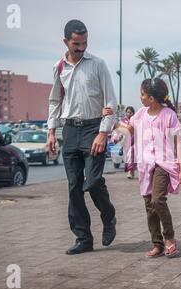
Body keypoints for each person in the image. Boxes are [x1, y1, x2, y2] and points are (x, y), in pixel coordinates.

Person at [47, 19, 117, 255]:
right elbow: (55, 101)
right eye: (77, 43)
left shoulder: (98, 64)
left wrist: (103, 132)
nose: (81, 47)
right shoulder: (59, 68)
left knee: (94, 181)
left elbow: (110, 101)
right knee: (74, 186)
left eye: (85, 42)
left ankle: (108, 216)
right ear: (65, 41)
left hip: (93, 129)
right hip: (70, 130)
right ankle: (83, 238)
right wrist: (51, 132)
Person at [106, 78, 181, 258]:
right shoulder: (140, 114)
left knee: (158, 199)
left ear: (151, 98)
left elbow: (179, 143)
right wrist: (111, 120)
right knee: (149, 205)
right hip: (145, 165)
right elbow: (128, 130)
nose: (140, 97)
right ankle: (157, 244)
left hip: (164, 164)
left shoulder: (169, 115)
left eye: (142, 94)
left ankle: (169, 238)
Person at [118, 106, 137, 179]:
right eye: (127, 112)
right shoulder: (122, 121)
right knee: (128, 157)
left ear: (133, 113)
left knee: (131, 155)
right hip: (126, 143)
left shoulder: (136, 121)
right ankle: (131, 172)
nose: (129, 114)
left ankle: (130, 172)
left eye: (130, 112)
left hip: (134, 142)